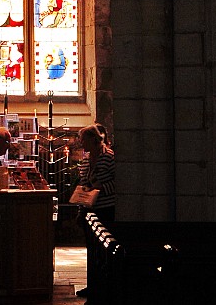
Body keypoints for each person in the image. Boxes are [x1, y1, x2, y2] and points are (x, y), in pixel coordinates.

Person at [75, 124, 116, 301]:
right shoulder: (86, 159)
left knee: (104, 251)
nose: (81, 143)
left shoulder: (109, 157)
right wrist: (80, 208)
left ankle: (105, 285)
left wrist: (102, 187)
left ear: (94, 139)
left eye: (83, 139)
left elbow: (119, 181)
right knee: (91, 251)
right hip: (89, 209)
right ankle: (92, 285)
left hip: (106, 208)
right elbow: (84, 182)